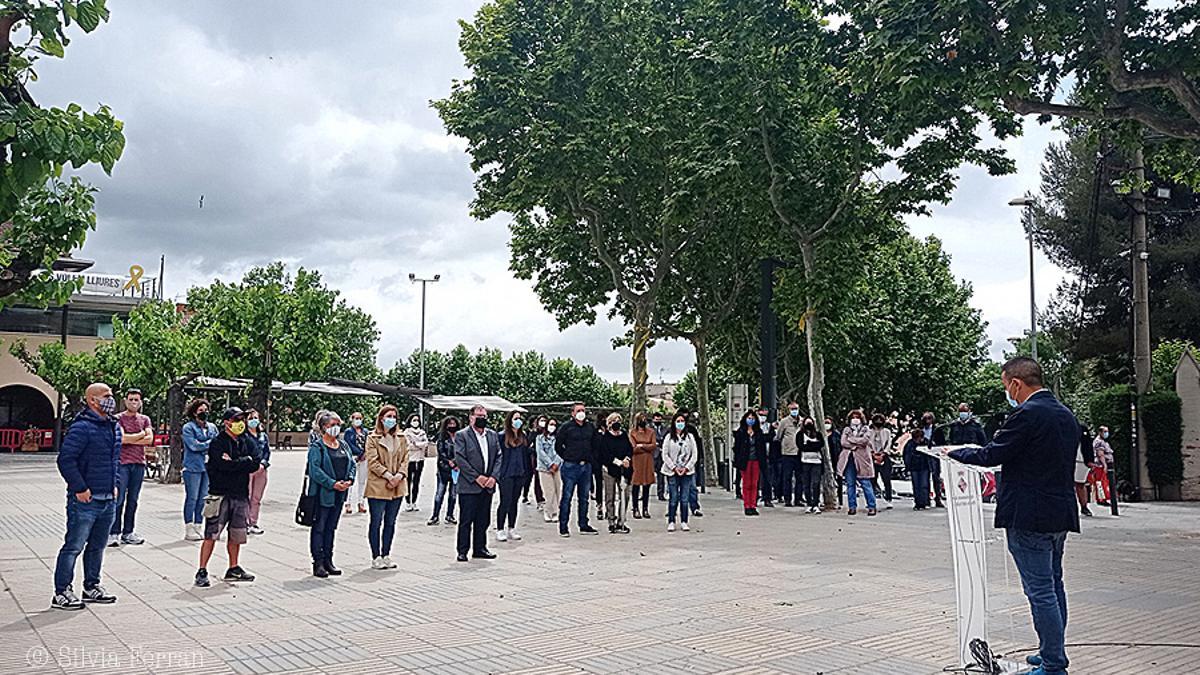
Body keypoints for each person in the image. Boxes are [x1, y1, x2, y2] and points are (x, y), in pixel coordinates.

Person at [949, 357, 1080, 675]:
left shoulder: (1026, 414)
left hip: (1029, 516)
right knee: (1053, 585)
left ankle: (1053, 664)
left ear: (1016, 383)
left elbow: (993, 453)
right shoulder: (1065, 414)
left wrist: (954, 452)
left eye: (1006, 385)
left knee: (1040, 591)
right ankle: (1051, 651)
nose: (1007, 391)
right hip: (1059, 513)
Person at [52, 383, 121, 610]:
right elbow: (66, 460)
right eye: (106, 396)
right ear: (92, 400)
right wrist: (80, 488)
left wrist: (115, 485)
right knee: (74, 545)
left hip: (107, 498)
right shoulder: (82, 427)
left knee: (97, 546)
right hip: (85, 500)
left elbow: (114, 460)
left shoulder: (113, 426)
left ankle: (92, 585)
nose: (111, 399)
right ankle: (62, 591)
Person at [194, 407, 260, 588]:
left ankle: (234, 567)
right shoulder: (217, 442)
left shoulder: (247, 440)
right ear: (226, 422)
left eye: (242, 419)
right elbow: (221, 465)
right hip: (219, 493)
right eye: (236, 419)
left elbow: (255, 462)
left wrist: (237, 462)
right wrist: (242, 462)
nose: (241, 423)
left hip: (240, 493)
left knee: (237, 534)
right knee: (212, 534)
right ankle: (202, 570)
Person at [307, 412, 355, 578]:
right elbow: (315, 470)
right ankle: (318, 562)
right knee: (319, 527)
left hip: (340, 494)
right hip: (322, 494)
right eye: (332, 425)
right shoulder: (317, 447)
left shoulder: (343, 445)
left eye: (337, 424)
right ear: (323, 428)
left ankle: (329, 559)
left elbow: (352, 464)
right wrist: (332, 483)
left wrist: (349, 480)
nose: (335, 428)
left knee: (331, 527)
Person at [453, 405, 500, 561]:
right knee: (466, 519)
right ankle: (462, 550)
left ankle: (480, 548)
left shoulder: (492, 435)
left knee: (483, 519)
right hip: (469, 485)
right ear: (471, 417)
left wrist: (493, 477)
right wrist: (476, 477)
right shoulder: (462, 435)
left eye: (484, 416)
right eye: (478, 416)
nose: (482, 419)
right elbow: (460, 458)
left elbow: (499, 457)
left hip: (488, 485)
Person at [365, 405, 408, 570]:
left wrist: (399, 476)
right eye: (389, 416)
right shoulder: (372, 438)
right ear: (381, 418)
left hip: (397, 485)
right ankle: (376, 556)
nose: (392, 419)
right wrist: (388, 476)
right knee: (376, 521)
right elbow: (373, 461)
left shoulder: (402, 437)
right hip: (379, 486)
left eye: (394, 416)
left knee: (391, 521)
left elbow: (405, 458)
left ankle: (386, 554)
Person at [108, 388, 152, 547]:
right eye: (131, 399)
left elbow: (149, 439)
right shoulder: (117, 419)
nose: (134, 402)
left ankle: (128, 531)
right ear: (125, 401)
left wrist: (133, 438)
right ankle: (113, 532)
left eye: (137, 400)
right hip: (122, 464)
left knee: (133, 499)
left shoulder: (145, 419)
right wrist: (140, 435)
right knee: (118, 499)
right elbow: (121, 439)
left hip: (139, 463)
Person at [556, 402, 601, 537]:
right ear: (573, 413)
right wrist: (567, 457)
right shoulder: (566, 427)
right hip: (570, 466)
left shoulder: (590, 427)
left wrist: (591, 459)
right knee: (567, 497)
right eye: (578, 410)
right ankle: (563, 526)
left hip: (586, 466)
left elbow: (595, 444)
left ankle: (583, 524)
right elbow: (558, 445)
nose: (581, 412)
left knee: (584, 498)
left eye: (583, 410)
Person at [181, 399, 217, 541]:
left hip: (208, 467)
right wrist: (210, 443)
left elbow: (217, 443)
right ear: (194, 412)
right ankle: (189, 527)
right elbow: (193, 446)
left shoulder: (212, 427)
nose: (204, 413)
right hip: (193, 467)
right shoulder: (188, 427)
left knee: (203, 498)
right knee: (192, 497)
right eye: (201, 411)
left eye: (206, 410)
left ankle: (198, 524)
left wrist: (206, 444)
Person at [495, 411, 531, 542]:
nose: (518, 421)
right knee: (505, 501)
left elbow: (526, 455)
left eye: (520, 419)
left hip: (520, 473)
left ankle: (511, 527)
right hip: (506, 473)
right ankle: (499, 529)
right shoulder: (501, 436)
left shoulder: (523, 436)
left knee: (514, 501)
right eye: (516, 418)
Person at [596, 412, 633, 534]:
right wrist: (617, 462)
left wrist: (627, 459)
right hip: (610, 469)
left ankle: (621, 521)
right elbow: (603, 454)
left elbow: (629, 449)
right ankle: (611, 521)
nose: (616, 423)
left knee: (625, 495)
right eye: (613, 421)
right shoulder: (605, 438)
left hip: (624, 470)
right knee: (610, 496)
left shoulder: (624, 436)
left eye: (618, 420)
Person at [662, 412, 697, 532]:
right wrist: (674, 468)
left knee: (684, 497)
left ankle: (684, 521)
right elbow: (665, 455)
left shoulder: (690, 437)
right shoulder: (669, 437)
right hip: (672, 471)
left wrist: (687, 467)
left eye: (682, 421)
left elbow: (694, 455)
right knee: (674, 497)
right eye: (678, 421)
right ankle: (671, 520)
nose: (680, 423)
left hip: (687, 472)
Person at [838, 410, 877, 516]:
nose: (855, 419)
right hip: (848, 459)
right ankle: (852, 507)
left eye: (857, 417)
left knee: (865, 483)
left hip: (862, 460)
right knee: (850, 485)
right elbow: (843, 442)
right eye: (853, 417)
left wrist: (851, 439)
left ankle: (872, 506)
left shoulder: (866, 429)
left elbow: (865, 441)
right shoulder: (847, 429)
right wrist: (854, 444)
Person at [732, 410, 767, 516]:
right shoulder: (741, 432)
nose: (750, 420)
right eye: (749, 418)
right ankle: (747, 505)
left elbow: (762, 448)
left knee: (754, 484)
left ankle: (753, 505)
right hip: (745, 461)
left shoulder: (758, 433)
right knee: (746, 484)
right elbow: (736, 448)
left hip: (756, 460)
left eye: (752, 418)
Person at [429, 416, 460, 526]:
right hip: (444, 469)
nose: (452, 426)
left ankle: (450, 515)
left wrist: (457, 463)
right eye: (449, 424)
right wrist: (449, 462)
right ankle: (435, 516)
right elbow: (441, 452)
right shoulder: (442, 437)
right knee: (440, 493)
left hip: (457, 470)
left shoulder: (460, 436)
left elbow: (462, 451)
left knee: (453, 494)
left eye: (454, 424)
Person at [244, 408, 271, 535]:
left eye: (255, 418)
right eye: (250, 418)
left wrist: (263, 464)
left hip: (261, 470)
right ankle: (244, 523)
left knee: (256, 498)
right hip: (248, 470)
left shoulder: (262, 435)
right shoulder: (243, 436)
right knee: (246, 497)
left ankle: (253, 522)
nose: (254, 421)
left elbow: (267, 452)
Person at [535, 416, 563, 523]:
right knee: (548, 491)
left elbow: (560, 451)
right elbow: (540, 452)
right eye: (550, 424)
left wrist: (556, 463)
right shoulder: (539, 438)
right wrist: (550, 464)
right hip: (544, 468)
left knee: (557, 490)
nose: (552, 427)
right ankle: (548, 511)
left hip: (558, 467)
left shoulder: (559, 438)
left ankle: (556, 512)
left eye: (554, 425)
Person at [629, 412, 657, 519]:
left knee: (647, 485)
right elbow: (633, 448)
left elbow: (653, 445)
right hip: (636, 461)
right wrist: (645, 447)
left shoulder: (651, 432)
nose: (643, 421)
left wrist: (641, 445)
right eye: (641, 419)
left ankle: (645, 508)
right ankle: (635, 508)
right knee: (635, 485)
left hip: (648, 461)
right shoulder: (632, 432)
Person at [403, 413, 432, 512]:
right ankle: (408, 502)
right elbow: (408, 445)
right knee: (408, 481)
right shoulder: (406, 432)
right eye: (414, 420)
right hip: (410, 459)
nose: (416, 422)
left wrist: (416, 444)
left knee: (417, 481)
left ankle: (414, 502)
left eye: (417, 420)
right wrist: (419, 445)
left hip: (420, 459)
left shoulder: (422, 432)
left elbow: (426, 444)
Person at [776, 403, 803, 507]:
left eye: (796, 408)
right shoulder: (784, 422)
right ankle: (787, 499)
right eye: (792, 409)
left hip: (800, 453)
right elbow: (778, 436)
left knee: (799, 478)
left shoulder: (802, 421)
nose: (794, 410)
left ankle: (798, 499)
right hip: (787, 453)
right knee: (787, 477)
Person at [868, 413, 895, 510]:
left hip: (884, 457)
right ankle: (872, 500)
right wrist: (873, 454)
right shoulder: (869, 431)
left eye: (880, 420)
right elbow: (867, 443)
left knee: (886, 479)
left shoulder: (887, 432)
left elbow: (889, 444)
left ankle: (889, 499)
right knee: (872, 480)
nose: (878, 422)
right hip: (872, 457)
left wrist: (883, 454)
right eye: (876, 420)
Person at [343, 412, 368, 515]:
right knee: (350, 480)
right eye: (356, 418)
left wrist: (365, 453)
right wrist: (359, 453)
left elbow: (368, 443)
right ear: (352, 419)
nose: (358, 420)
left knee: (362, 481)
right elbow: (348, 444)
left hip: (364, 458)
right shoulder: (348, 432)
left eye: (360, 418)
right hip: (353, 458)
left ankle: (361, 502)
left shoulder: (365, 431)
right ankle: (348, 503)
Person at [798, 417, 824, 513]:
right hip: (804, 462)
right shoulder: (800, 434)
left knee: (816, 483)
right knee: (806, 483)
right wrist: (812, 445)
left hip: (817, 462)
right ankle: (809, 503)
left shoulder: (818, 434)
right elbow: (801, 446)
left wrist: (809, 444)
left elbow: (820, 444)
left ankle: (816, 503)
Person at [904, 428, 932, 510]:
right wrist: (908, 467)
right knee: (916, 486)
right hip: (914, 467)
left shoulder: (926, 443)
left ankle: (926, 502)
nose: (918, 440)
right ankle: (918, 503)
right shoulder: (909, 444)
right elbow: (907, 456)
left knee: (924, 485)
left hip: (924, 467)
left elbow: (930, 454)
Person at [923, 411, 947, 507]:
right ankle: (926, 499)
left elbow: (942, 442)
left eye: (929, 418)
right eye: (925, 419)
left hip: (934, 455)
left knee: (936, 477)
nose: (927, 421)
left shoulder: (937, 430)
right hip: (924, 455)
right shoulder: (921, 430)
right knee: (925, 477)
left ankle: (938, 498)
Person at [1074, 423, 1096, 517]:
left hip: (1082, 460)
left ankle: (1084, 506)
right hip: (1068, 459)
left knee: (1081, 484)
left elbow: (1088, 444)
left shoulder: (1082, 428)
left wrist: (1090, 460)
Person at [758, 406, 778, 508]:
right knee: (756, 478)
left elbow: (772, 438)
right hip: (757, 456)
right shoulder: (755, 427)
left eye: (765, 415)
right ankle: (755, 497)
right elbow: (761, 439)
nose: (763, 417)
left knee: (767, 478)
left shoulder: (770, 426)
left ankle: (767, 498)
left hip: (768, 455)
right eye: (761, 415)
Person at [1090, 426, 1112, 505]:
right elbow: (1100, 454)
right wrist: (1104, 464)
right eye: (1105, 431)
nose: (1106, 433)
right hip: (1100, 465)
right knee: (1100, 482)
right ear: (1100, 432)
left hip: (1101, 464)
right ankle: (1101, 499)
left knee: (1102, 482)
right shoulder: (1099, 442)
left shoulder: (1102, 441)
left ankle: (1102, 498)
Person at [824, 417, 842, 508]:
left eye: (828, 422)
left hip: (835, 459)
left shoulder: (836, 435)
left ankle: (839, 500)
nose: (827, 424)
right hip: (824, 460)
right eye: (825, 422)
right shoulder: (821, 434)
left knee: (838, 479)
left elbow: (839, 447)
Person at [651, 412, 667, 501]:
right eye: (656, 419)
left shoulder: (666, 429)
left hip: (661, 454)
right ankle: (644, 493)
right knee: (648, 475)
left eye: (659, 419)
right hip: (652, 454)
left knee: (661, 476)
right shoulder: (649, 429)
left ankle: (661, 494)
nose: (658, 421)